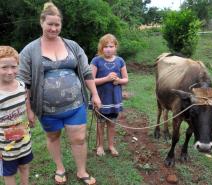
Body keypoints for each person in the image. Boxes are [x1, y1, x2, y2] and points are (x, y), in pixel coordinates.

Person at [18, 2, 101, 185]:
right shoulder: (30, 51)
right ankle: (60, 168)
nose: (54, 28)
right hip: (47, 109)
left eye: (57, 25)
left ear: (61, 25)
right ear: (42, 23)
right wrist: (29, 109)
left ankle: (81, 171)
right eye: (50, 24)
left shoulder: (72, 46)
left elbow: (86, 71)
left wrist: (94, 94)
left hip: (75, 104)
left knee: (79, 138)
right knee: (53, 136)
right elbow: (24, 83)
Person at [0, 46, 34, 185]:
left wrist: (30, 112)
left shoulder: (21, 85)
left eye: (13, 67)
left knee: (25, 166)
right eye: (4, 67)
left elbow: (25, 99)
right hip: (5, 147)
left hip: (23, 139)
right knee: (9, 173)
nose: (10, 72)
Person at [91, 34, 128, 157]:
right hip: (101, 99)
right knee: (100, 124)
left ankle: (111, 145)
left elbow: (126, 79)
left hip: (114, 99)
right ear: (101, 48)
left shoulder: (120, 61)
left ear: (115, 47)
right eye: (105, 46)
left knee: (112, 124)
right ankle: (100, 146)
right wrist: (106, 78)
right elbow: (91, 80)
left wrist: (118, 80)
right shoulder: (96, 60)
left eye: (111, 46)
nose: (108, 49)